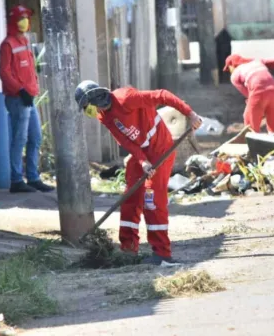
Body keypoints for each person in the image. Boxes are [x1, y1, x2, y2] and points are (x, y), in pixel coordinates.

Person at [74, 81, 203, 266]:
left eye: (86, 107)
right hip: (141, 153)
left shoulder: (126, 98)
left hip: (160, 148)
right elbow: (124, 140)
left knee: (151, 200)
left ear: (94, 99)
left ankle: (162, 254)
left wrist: (189, 113)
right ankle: (128, 249)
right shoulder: (104, 116)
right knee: (130, 198)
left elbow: (162, 94)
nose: (87, 111)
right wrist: (142, 160)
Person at [0, 5, 55, 193]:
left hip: (29, 97)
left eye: (26, 17)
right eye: (21, 18)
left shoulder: (24, 41)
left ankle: (33, 177)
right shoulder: (8, 44)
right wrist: (19, 90)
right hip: (17, 98)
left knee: (35, 138)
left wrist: (30, 90)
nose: (25, 21)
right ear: (13, 21)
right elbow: (5, 72)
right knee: (19, 138)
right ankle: (16, 179)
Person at [223, 54, 274, 134]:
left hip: (258, 94)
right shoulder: (258, 62)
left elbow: (249, 94)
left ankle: (253, 141)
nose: (229, 71)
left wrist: (258, 109)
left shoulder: (235, 75)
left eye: (228, 69)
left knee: (248, 121)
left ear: (232, 65)